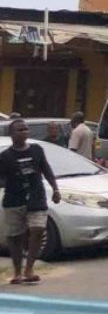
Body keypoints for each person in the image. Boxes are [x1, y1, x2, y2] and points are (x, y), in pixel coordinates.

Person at [0, 119, 62, 285]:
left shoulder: (36, 150)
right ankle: (18, 272)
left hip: (36, 197)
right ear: (12, 134)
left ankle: (29, 268)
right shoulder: (5, 156)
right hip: (14, 199)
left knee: (38, 229)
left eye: (26, 129)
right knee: (15, 237)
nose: (24, 132)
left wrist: (55, 189)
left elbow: (46, 169)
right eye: (20, 130)